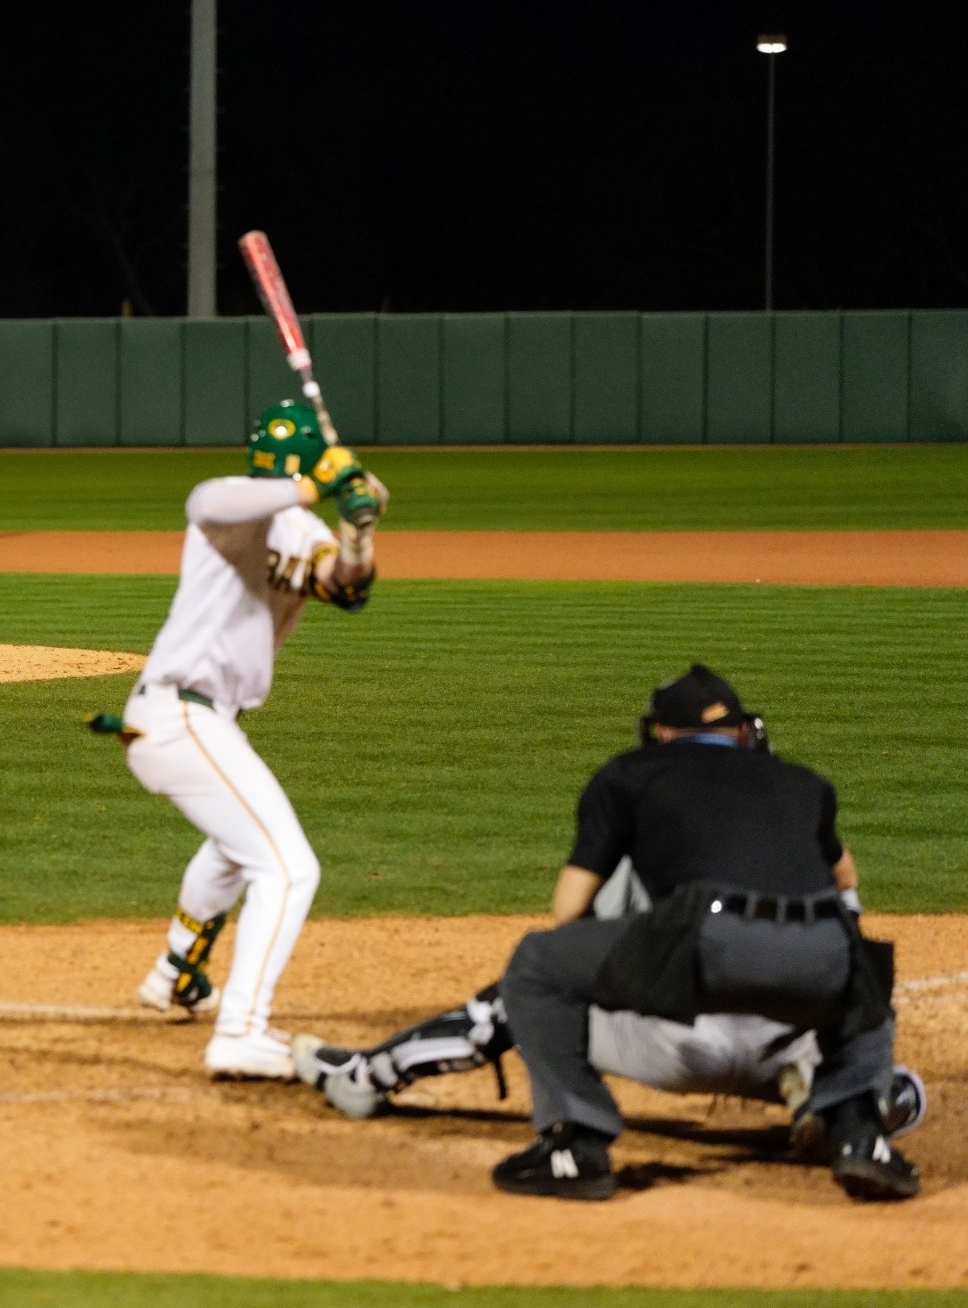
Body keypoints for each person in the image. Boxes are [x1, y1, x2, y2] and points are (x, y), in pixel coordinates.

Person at [472, 665, 919, 1202]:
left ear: (660, 732)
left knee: (537, 963)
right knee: (864, 977)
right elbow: (845, 881)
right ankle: (862, 1138)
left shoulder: (629, 775)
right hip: (819, 947)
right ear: (739, 730)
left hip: (706, 942)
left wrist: (628, 958)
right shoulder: (802, 782)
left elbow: (568, 909)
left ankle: (575, 1146)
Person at [101, 401, 385, 1079]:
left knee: (236, 847)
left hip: (198, 720)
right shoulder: (232, 507)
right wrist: (325, 485)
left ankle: (174, 972)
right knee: (288, 868)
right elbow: (208, 496)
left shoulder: (304, 526)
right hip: (178, 713)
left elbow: (345, 589)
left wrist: (357, 527)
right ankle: (240, 1031)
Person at [289, 859, 929, 1159]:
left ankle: (370, 1076)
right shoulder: (811, 838)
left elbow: (579, 941)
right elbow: (852, 970)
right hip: (781, 1050)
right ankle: (853, 1103)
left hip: (669, 1047)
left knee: (531, 989)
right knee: (890, 1066)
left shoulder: (648, 834)